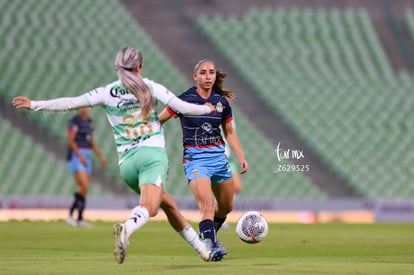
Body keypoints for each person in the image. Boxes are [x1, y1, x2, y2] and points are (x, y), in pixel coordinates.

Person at [12, 47, 222, 263]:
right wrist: (207, 109)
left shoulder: (108, 92)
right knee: (149, 207)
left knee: (167, 203)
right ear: (139, 66)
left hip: (127, 164)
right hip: (151, 157)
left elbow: (71, 102)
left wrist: (34, 104)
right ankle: (127, 228)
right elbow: (184, 107)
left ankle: (203, 251)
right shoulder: (150, 87)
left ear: (118, 68)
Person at [159, 59, 249, 257]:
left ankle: (209, 234)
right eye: (203, 73)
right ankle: (210, 247)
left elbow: (230, 132)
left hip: (219, 159)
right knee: (207, 206)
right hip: (196, 159)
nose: (208, 76)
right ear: (195, 76)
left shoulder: (221, 102)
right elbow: (159, 121)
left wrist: (241, 156)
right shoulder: (183, 99)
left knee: (226, 207)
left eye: (211, 73)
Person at [66, 107, 108, 228]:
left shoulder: (90, 122)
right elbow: (71, 141)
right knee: (83, 185)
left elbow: (91, 142)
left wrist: (101, 157)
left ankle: (78, 218)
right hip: (76, 155)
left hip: (87, 154)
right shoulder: (74, 121)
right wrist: (79, 155)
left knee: (83, 188)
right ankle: (71, 216)